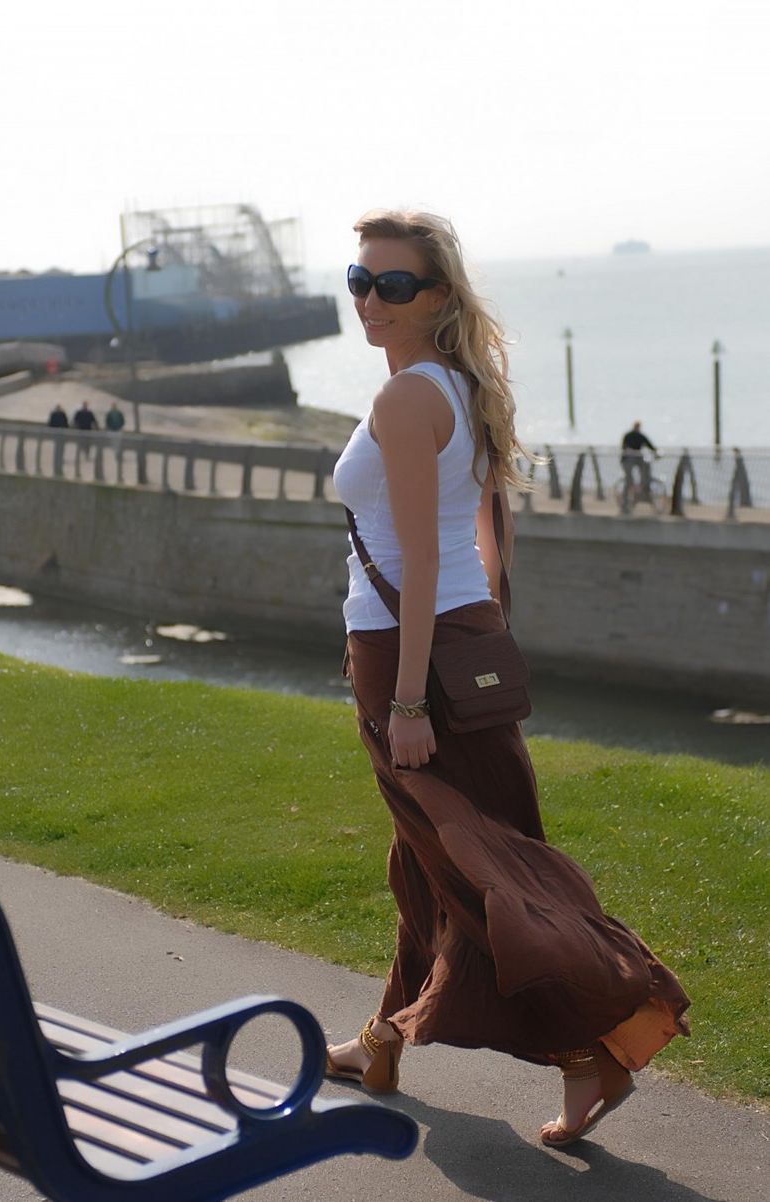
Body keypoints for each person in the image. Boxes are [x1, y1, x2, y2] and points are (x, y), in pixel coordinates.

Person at [328, 209, 690, 1149]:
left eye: (392, 284)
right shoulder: (461, 385)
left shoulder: (407, 400)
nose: (369, 299)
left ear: (437, 295)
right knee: (428, 858)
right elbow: (490, 532)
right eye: (359, 280)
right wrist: (482, 630)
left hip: (409, 653)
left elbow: (415, 561)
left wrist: (411, 698)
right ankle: (380, 1042)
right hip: (459, 639)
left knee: (478, 872)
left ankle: (595, 1049)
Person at [620, 420, 658, 509]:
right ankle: (625, 501)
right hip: (628, 459)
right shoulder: (628, 435)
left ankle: (643, 491)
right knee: (629, 480)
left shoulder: (641, 436)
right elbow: (624, 447)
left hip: (637, 458)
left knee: (645, 471)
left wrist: (656, 452)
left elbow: (650, 445)